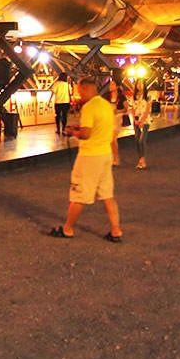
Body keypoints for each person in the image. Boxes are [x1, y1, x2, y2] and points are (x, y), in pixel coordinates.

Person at [49, 78, 123, 242]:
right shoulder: (105, 105)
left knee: (79, 194)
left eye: (79, 91)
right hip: (105, 154)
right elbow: (101, 130)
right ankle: (116, 230)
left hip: (90, 157)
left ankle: (68, 229)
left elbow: (86, 134)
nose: (78, 94)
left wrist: (73, 132)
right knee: (107, 195)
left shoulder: (89, 107)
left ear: (84, 89)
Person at [130, 82, 154, 170]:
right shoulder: (134, 97)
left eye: (141, 83)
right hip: (136, 121)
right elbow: (132, 109)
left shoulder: (148, 96)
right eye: (138, 83)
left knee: (141, 140)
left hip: (145, 121)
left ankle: (143, 160)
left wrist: (142, 120)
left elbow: (148, 109)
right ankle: (140, 160)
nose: (139, 85)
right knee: (136, 140)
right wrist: (134, 119)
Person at [51, 73, 73, 138]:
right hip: (66, 102)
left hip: (58, 102)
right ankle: (63, 130)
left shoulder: (56, 83)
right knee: (64, 116)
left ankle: (58, 130)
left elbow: (53, 91)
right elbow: (71, 93)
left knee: (57, 116)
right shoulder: (67, 84)